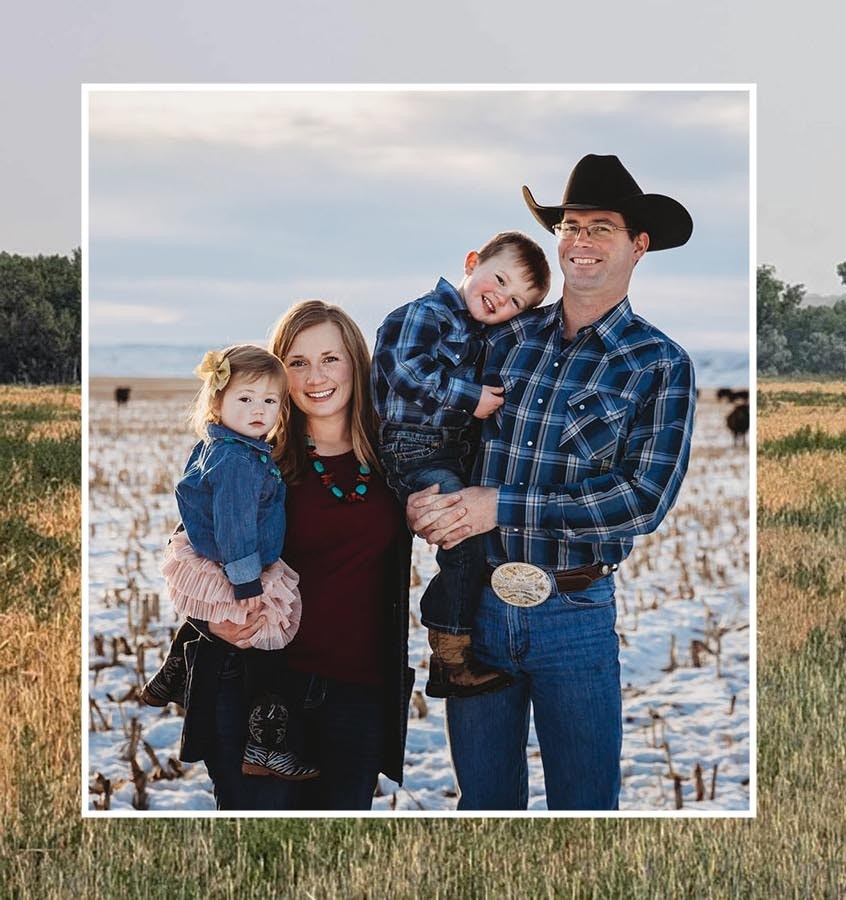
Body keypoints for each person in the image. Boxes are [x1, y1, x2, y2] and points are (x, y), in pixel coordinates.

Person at [407, 154, 697, 810]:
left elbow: (641, 499)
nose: (581, 241)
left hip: (574, 612)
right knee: (483, 807)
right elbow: (440, 424)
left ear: (638, 245)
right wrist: (425, 495)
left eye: (600, 227)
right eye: (569, 226)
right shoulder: (505, 337)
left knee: (585, 806)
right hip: (476, 606)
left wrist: (501, 506)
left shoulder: (658, 364)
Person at [167, 301, 415, 810]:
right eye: (298, 363)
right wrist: (211, 623)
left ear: (356, 364)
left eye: (331, 358)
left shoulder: (394, 461)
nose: (316, 376)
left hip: (358, 692)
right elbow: (189, 556)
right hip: (255, 691)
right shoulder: (251, 455)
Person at [371, 231, 550, 699]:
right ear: (472, 262)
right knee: (463, 532)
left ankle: (460, 637)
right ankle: (449, 655)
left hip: (448, 447)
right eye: (499, 281)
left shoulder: (480, 332)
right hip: (413, 446)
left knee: (484, 525)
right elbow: (403, 370)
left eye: (515, 302)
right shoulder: (424, 315)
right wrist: (470, 398)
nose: (500, 300)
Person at [140, 344, 317, 781]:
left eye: (270, 401)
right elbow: (235, 524)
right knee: (265, 655)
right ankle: (266, 750)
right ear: (217, 401)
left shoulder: (225, 447)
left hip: (221, 562)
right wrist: (247, 585)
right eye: (245, 398)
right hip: (236, 567)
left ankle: (173, 671)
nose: (259, 410)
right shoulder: (238, 460)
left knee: (238, 635)